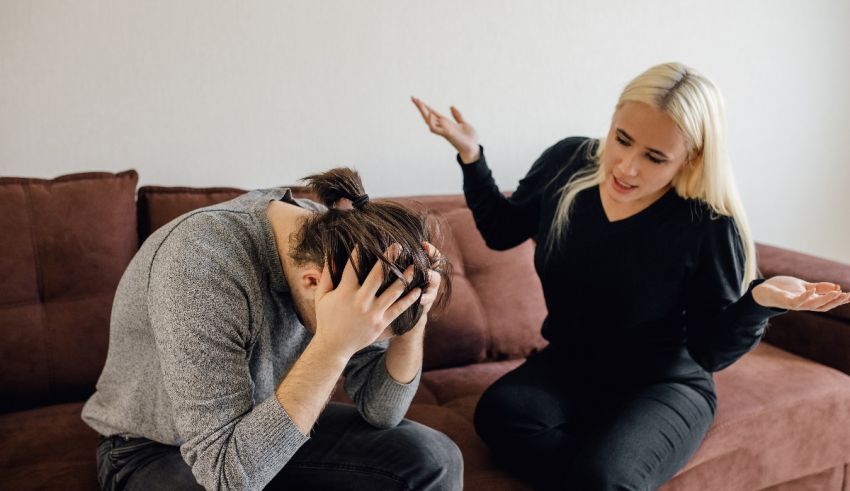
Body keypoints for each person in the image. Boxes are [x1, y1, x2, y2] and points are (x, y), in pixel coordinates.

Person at [412, 62, 850, 490]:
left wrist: (760, 302)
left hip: (663, 382)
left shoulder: (709, 223)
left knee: (603, 477)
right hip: (569, 365)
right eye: (622, 139)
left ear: (690, 159)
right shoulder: (569, 162)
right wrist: (471, 156)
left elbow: (710, 351)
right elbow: (502, 230)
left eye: (655, 157)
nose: (627, 167)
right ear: (614, 117)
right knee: (500, 416)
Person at [81, 167, 464, 490]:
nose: (364, 340)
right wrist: (333, 346)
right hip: (156, 447)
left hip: (267, 417)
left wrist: (415, 313)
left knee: (435, 459)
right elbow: (227, 476)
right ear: (314, 283)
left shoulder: (341, 243)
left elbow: (382, 412)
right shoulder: (200, 264)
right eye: (364, 333)